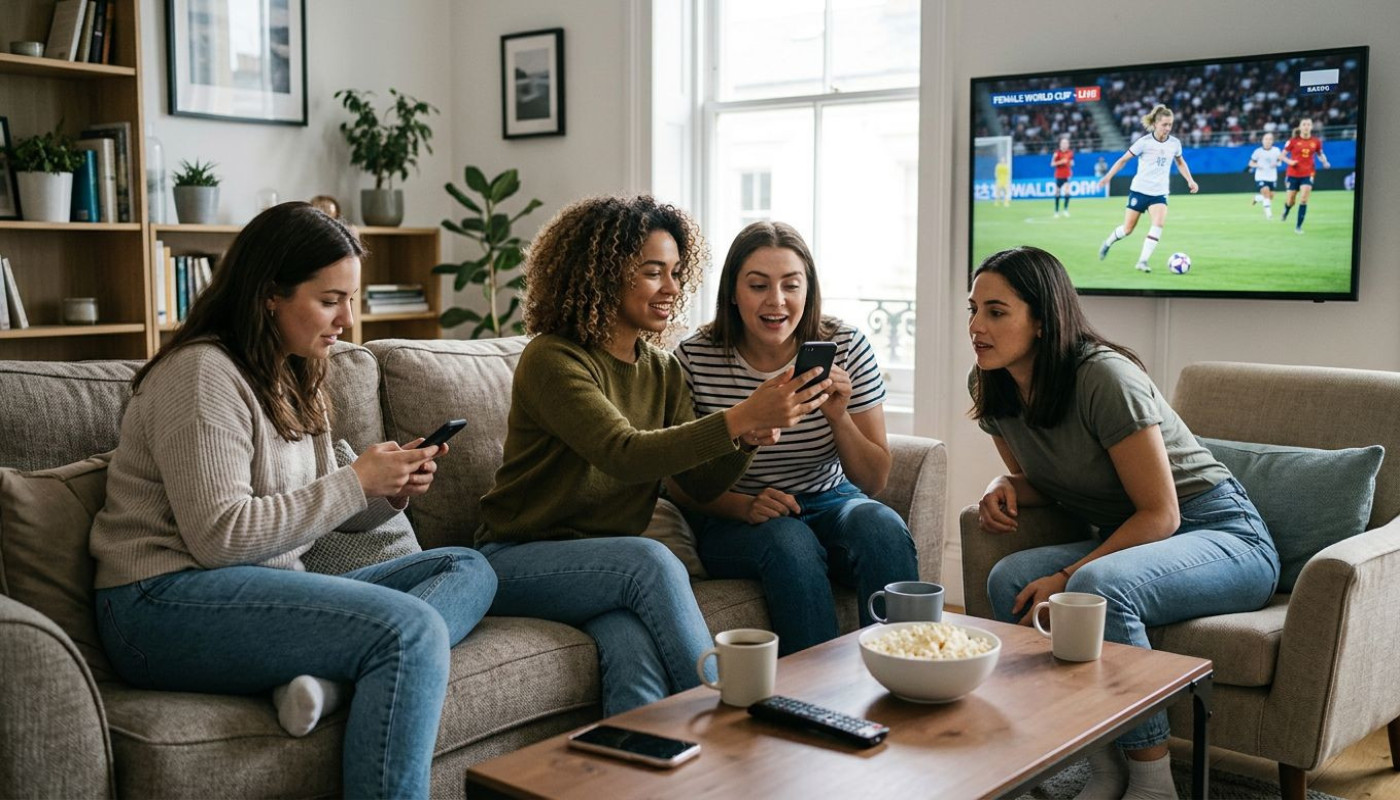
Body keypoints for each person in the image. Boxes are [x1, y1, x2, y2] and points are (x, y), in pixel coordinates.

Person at [90, 202, 498, 799]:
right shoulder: (202, 373)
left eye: (351, 300)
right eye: (330, 300)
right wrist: (355, 479)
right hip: (159, 602)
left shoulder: (294, 374)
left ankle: (324, 680)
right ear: (269, 295)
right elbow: (220, 537)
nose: (347, 320)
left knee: (466, 566)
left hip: (259, 589)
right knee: (409, 631)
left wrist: (387, 490)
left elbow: (317, 508)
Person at [473, 196, 830, 716]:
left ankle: (644, 772)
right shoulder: (552, 358)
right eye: (652, 273)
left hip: (602, 564)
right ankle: (734, 718)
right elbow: (624, 454)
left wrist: (748, 439)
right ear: (602, 276)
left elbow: (701, 485)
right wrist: (738, 417)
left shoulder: (660, 370)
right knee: (650, 559)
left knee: (634, 662)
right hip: (517, 559)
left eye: (676, 273)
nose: (673, 289)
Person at [967, 246, 1279, 800]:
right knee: (1008, 580)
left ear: (1041, 320)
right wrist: (1002, 486)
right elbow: (1051, 483)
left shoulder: (1104, 377)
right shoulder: (990, 383)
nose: (976, 327)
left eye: (996, 311)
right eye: (972, 309)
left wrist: (1067, 574)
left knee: (1095, 587)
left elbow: (1162, 512)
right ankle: (1099, 759)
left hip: (1223, 536)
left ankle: (1153, 780)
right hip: (1131, 538)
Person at [669, 221, 918, 656]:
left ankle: (912, 670)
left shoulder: (845, 344)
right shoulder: (694, 359)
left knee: (881, 526)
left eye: (791, 285)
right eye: (758, 285)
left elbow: (874, 480)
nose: (776, 301)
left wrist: (839, 417)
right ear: (732, 292)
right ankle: (813, 700)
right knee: (790, 541)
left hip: (829, 499)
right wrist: (743, 506)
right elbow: (676, 482)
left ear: (809, 291)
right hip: (731, 516)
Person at [1096, 104, 1199, 273]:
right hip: (1139, 191)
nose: (1168, 128)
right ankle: (1108, 243)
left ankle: (1142, 262)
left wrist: (1190, 180)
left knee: (1158, 224)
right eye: (1165, 124)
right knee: (1128, 229)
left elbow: (1180, 162)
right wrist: (1108, 177)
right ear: (1156, 124)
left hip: (1159, 194)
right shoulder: (1143, 142)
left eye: (1170, 124)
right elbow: (1123, 160)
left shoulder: (1174, 143)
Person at [1281, 118, 1330, 234]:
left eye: (1308, 124)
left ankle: (1298, 227)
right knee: (1290, 200)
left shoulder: (1316, 142)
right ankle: (1286, 209)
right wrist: (1290, 162)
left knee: (1303, 199)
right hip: (1293, 174)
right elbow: (1282, 156)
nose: (1306, 126)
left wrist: (1325, 162)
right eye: (1304, 124)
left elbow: (1320, 154)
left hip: (1308, 173)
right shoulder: (1292, 141)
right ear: (1300, 127)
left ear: (1311, 127)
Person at [1247, 131, 1283, 220]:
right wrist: (1257, 165)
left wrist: (1277, 164)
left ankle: (1257, 198)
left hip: (1272, 177)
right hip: (1261, 176)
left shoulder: (1276, 150)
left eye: (1270, 139)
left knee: (1270, 196)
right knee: (1266, 192)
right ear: (1262, 141)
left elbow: (1280, 161)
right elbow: (1250, 163)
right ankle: (1268, 215)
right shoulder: (1258, 152)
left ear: (1272, 141)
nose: (1268, 141)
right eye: (1266, 139)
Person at [1051, 136, 1074, 217]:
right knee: (1057, 193)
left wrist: (1071, 164)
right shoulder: (1056, 153)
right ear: (1060, 144)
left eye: (1066, 143)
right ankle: (1056, 211)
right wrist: (1061, 161)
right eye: (1063, 143)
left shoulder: (1070, 153)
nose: (1065, 144)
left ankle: (1065, 210)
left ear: (1068, 144)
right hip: (1059, 175)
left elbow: (1071, 163)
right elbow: (1052, 164)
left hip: (1067, 175)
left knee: (1067, 192)